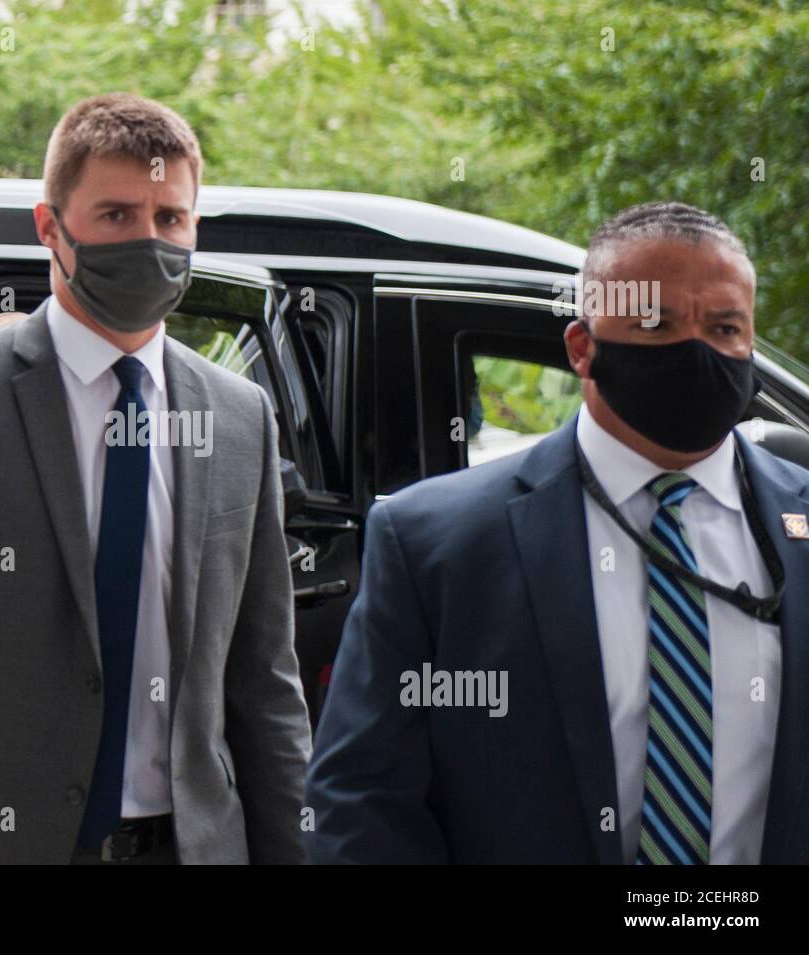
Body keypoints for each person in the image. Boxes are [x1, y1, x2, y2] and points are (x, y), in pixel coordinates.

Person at [0, 92, 312, 865]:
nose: (149, 241)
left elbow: (266, 687)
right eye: (116, 216)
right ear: (51, 227)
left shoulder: (239, 415)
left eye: (169, 219)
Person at [306, 201, 809, 864]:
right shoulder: (434, 543)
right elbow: (359, 800)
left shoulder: (794, 525)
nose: (697, 348)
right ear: (582, 347)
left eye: (723, 326)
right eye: (655, 322)